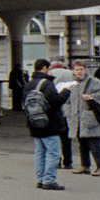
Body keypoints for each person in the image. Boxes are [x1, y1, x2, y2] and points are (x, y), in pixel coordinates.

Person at [25, 58, 71, 190]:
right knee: (53, 153)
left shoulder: (29, 84)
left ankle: (40, 179)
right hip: (49, 123)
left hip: (33, 122)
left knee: (39, 152)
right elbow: (56, 101)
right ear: (45, 68)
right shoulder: (48, 84)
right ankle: (49, 180)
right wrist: (66, 91)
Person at [64, 59, 100, 176]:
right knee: (82, 143)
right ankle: (85, 166)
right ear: (73, 71)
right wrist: (68, 113)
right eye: (77, 69)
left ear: (85, 70)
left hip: (90, 118)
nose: (79, 72)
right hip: (77, 119)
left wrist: (92, 97)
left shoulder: (94, 82)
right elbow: (67, 101)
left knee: (94, 144)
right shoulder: (72, 84)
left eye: (81, 69)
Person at [48, 60, 76, 170]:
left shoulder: (50, 74)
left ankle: (57, 161)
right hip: (68, 109)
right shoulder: (70, 74)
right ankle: (68, 162)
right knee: (66, 139)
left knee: (54, 138)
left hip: (55, 109)